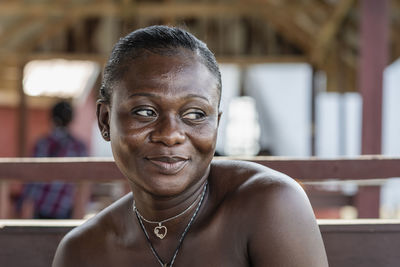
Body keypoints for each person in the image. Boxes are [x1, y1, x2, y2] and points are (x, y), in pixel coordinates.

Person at [53, 25, 328, 266]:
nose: (171, 134)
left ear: (216, 124)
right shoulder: (82, 251)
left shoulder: (270, 205)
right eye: (145, 112)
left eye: (195, 114)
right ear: (104, 121)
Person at [21, 101, 87, 219]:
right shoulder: (79, 147)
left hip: (40, 208)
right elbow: (83, 185)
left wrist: (25, 210)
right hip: (64, 209)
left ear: (51, 118)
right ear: (71, 120)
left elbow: (31, 182)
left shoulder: (42, 144)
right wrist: (79, 214)